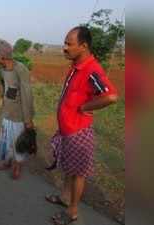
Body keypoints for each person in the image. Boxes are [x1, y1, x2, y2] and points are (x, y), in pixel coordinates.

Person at [45, 26, 118, 225]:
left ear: (83, 46)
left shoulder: (91, 69)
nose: (64, 48)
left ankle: (72, 211)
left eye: (69, 44)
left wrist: (86, 106)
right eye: (65, 43)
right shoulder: (76, 65)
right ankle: (64, 198)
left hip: (78, 132)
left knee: (78, 174)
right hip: (67, 129)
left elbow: (111, 96)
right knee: (70, 168)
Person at [0, 39, 35, 180]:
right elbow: (2, 85)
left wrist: (28, 119)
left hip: (19, 116)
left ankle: (17, 167)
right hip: (7, 113)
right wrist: (3, 95)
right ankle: (8, 162)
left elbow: (26, 94)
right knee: (7, 140)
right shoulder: (2, 71)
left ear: (2, 57)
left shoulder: (21, 69)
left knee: (18, 142)